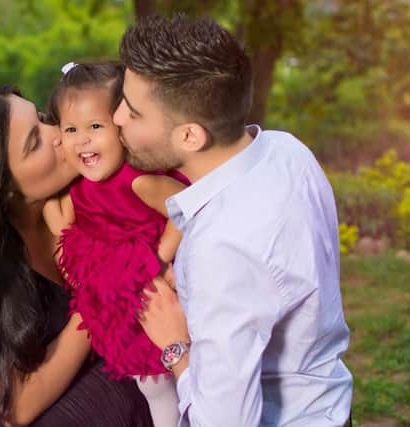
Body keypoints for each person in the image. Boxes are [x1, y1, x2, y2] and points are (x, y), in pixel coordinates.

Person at [114, 14, 354, 427]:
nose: (117, 117)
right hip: (328, 404)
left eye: (133, 113)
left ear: (190, 136)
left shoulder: (221, 247)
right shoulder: (286, 149)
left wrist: (175, 347)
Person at [0, 84, 154, 427]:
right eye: (35, 141)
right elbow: (16, 408)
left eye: (41, 118)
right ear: (2, 188)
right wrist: (98, 299)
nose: (59, 134)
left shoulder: (102, 189)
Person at [43, 61, 188, 426]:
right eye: (71, 129)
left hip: (157, 287)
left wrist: (158, 261)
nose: (84, 140)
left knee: (168, 377)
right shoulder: (75, 185)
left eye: (95, 127)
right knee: (149, 383)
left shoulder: (135, 180)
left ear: (122, 128)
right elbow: (63, 234)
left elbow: (185, 207)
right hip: (119, 295)